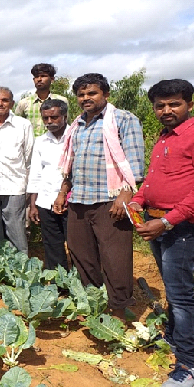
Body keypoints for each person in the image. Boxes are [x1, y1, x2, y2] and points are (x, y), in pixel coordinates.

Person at [128, 79, 194, 387]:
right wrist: (137, 201)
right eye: (160, 105)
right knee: (173, 289)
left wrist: (168, 221)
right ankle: (173, 337)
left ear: (190, 104)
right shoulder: (164, 137)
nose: (166, 110)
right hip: (158, 225)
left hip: (181, 229)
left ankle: (189, 366)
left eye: (174, 104)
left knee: (182, 297)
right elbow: (155, 181)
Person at [53, 73, 144, 320]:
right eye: (81, 95)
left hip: (110, 200)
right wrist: (63, 191)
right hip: (78, 199)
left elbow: (134, 162)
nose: (86, 98)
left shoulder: (123, 119)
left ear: (106, 94)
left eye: (92, 93)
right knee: (82, 255)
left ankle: (118, 307)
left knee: (115, 257)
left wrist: (125, 193)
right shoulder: (77, 125)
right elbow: (71, 164)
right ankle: (93, 302)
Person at [0, 87, 34, 254]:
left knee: (17, 232)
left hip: (15, 187)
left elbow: (29, 159)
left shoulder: (23, 125)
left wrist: (30, 191)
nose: (0, 104)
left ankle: (22, 270)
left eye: (4, 100)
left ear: (12, 103)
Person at [27, 99, 69, 270]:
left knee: (77, 244)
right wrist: (33, 204)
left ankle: (83, 284)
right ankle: (60, 283)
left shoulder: (74, 137)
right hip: (45, 200)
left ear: (65, 116)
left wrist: (64, 195)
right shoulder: (40, 141)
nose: (49, 122)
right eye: (45, 119)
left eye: (54, 117)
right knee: (52, 244)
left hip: (70, 201)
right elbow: (36, 173)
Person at [15, 64, 68, 136]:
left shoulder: (61, 101)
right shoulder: (24, 103)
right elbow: (17, 125)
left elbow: (67, 124)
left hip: (56, 144)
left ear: (52, 79)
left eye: (43, 76)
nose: (39, 79)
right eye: (36, 77)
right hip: (32, 145)